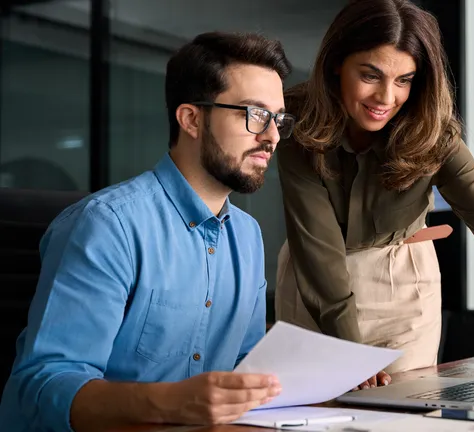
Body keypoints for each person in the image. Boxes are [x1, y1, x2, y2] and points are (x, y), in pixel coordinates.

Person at [0, 31, 296, 431]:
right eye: (254, 114)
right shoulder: (106, 225)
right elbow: (39, 389)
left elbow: (246, 368)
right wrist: (171, 403)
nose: (272, 136)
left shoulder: (247, 236)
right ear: (191, 118)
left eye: (277, 119)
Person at [275, 0, 474, 390]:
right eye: (370, 75)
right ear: (336, 63)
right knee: (312, 412)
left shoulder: (432, 130)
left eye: (404, 80)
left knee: (406, 414)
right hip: (314, 286)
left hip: (405, 285)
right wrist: (351, 352)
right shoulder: (297, 120)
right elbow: (318, 251)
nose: (386, 97)